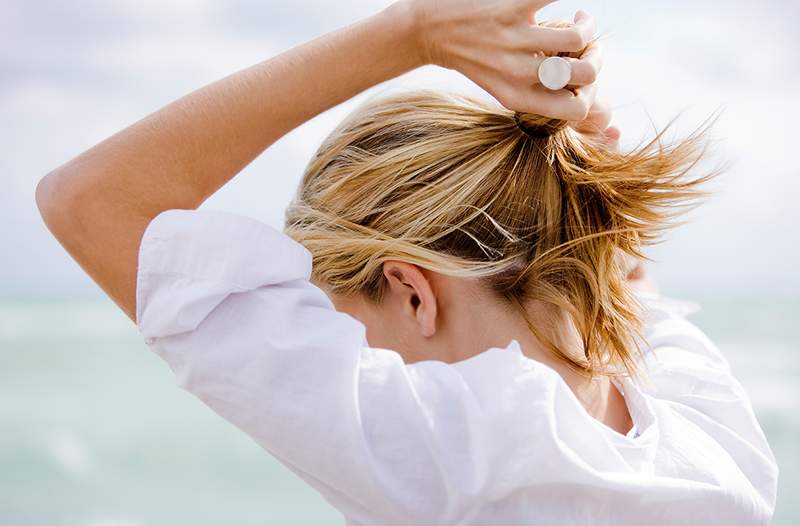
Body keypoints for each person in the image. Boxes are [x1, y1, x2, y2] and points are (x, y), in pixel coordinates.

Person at [35, 0, 778, 524]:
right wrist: (570, 184)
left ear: (411, 292)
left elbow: (85, 203)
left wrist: (412, 29)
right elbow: (626, 289)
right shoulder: (709, 426)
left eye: (342, 322)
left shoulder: (456, 456)